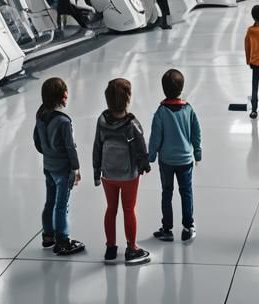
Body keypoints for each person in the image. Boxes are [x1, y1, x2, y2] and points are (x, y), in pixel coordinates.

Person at [93, 77, 151, 264]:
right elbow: (141, 148)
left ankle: (110, 248)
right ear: (128, 99)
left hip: (108, 175)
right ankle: (132, 248)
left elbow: (97, 146)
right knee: (128, 210)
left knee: (111, 209)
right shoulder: (132, 124)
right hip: (128, 176)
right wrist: (144, 165)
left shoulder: (102, 120)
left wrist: (96, 170)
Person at [148, 69, 202, 243]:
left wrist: (151, 157)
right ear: (182, 88)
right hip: (186, 159)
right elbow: (196, 132)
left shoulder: (161, 112)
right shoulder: (188, 109)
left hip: (166, 161)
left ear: (164, 90)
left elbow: (155, 136)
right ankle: (188, 226)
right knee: (186, 192)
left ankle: (167, 229)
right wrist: (197, 152)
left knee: (167, 193)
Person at [33, 77, 84, 255]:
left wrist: (48, 153)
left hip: (48, 165)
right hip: (63, 169)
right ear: (64, 96)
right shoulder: (64, 121)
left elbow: (37, 141)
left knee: (50, 201)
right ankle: (62, 240)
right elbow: (70, 147)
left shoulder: (40, 115)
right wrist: (75, 169)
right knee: (62, 205)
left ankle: (48, 236)